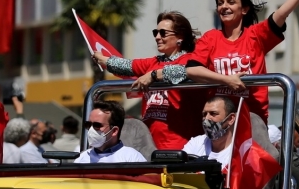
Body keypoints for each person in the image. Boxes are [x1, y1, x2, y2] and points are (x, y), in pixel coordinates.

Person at [144, 0, 299, 123]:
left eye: (231, 2)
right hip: (219, 123)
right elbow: (192, 70)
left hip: (253, 121)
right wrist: (227, 80)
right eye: (220, 3)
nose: (224, 6)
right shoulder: (211, 38)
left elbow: (281, 14)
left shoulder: (255, 35)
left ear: (244, 9)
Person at [94, 11, 245, 149]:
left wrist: (153, 75)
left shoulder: (192, 61)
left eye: (163, 33)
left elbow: (186, 71)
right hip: (148, 147)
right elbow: (126, 66)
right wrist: (103, 59)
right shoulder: (153, 62)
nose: (157, 37)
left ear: (180, 37)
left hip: (184, 147)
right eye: (155, 32)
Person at [74, 101, 146, 164]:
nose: (91, 130)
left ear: (114, 131)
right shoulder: (81, 159)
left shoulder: (132, 158)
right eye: (88, 125)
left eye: (97, 125)